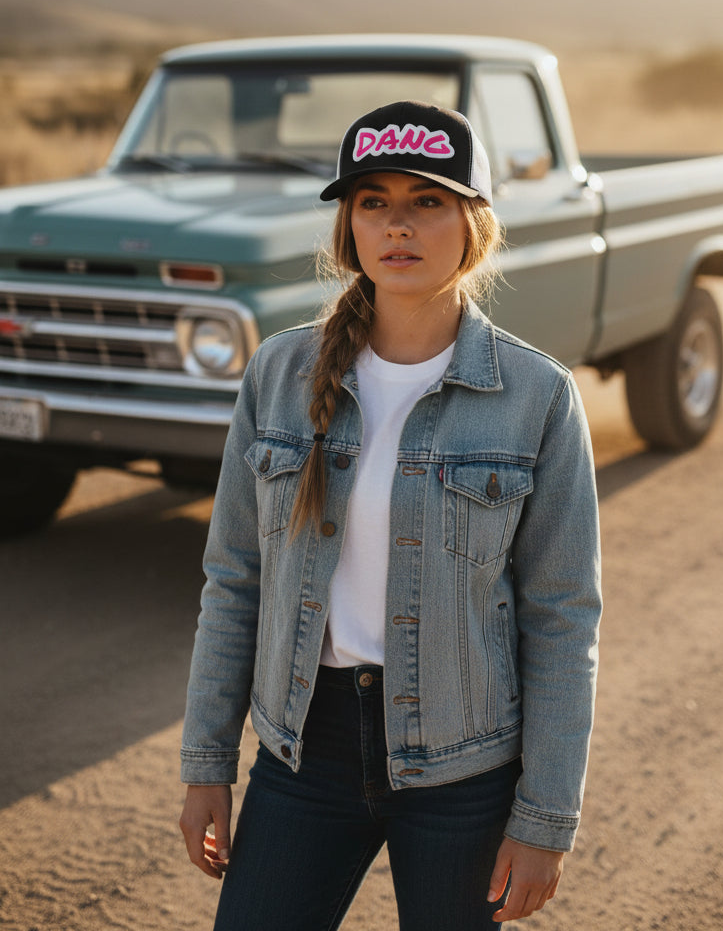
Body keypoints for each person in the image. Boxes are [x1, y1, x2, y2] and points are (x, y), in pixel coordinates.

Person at [179, 99, 602, 929]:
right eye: (374, 201)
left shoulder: (537, 397)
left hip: (466, 770)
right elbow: (234, 581)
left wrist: (545, 818)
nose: (398, 224)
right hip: (305, 752)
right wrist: (206, 764)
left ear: (473, 224)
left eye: (428, 200)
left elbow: (562, 619)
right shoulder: (279, 373)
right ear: (348, 227)